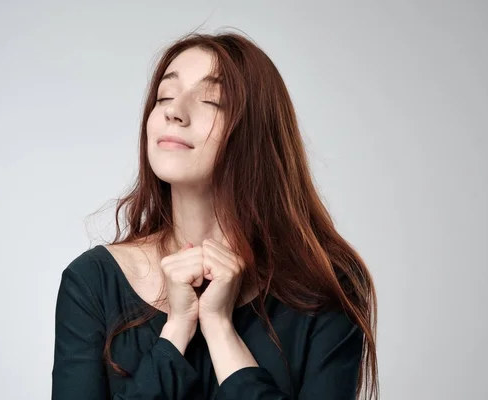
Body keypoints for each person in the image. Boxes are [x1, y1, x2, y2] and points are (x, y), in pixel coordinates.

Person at [51, 30, 379, 400]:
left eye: (211, 100)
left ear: (257, 133)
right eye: (165, 97)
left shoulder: (326, 285)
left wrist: (221, 329)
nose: (174, 111)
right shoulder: (91, 282)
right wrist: (176, 330)